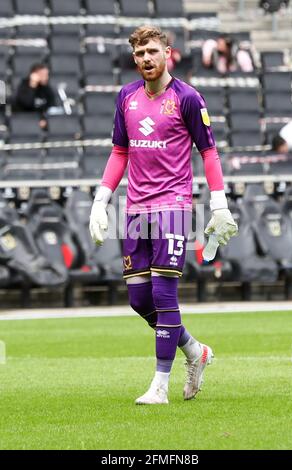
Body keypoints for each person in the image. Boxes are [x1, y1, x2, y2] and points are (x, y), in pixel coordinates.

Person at [89, 25, 238, 405]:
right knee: (139, 300)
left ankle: (160, 385)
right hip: (136, 208)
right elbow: (120, 152)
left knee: (163, 294)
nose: (146, 59)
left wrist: (218, 203)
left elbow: (209, 152)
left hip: (172, 206)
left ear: (167, 53)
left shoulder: (188, 98)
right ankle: (195, 351)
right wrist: (101, 199)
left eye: (152, 51)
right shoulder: (126, 97)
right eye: (139, 54)